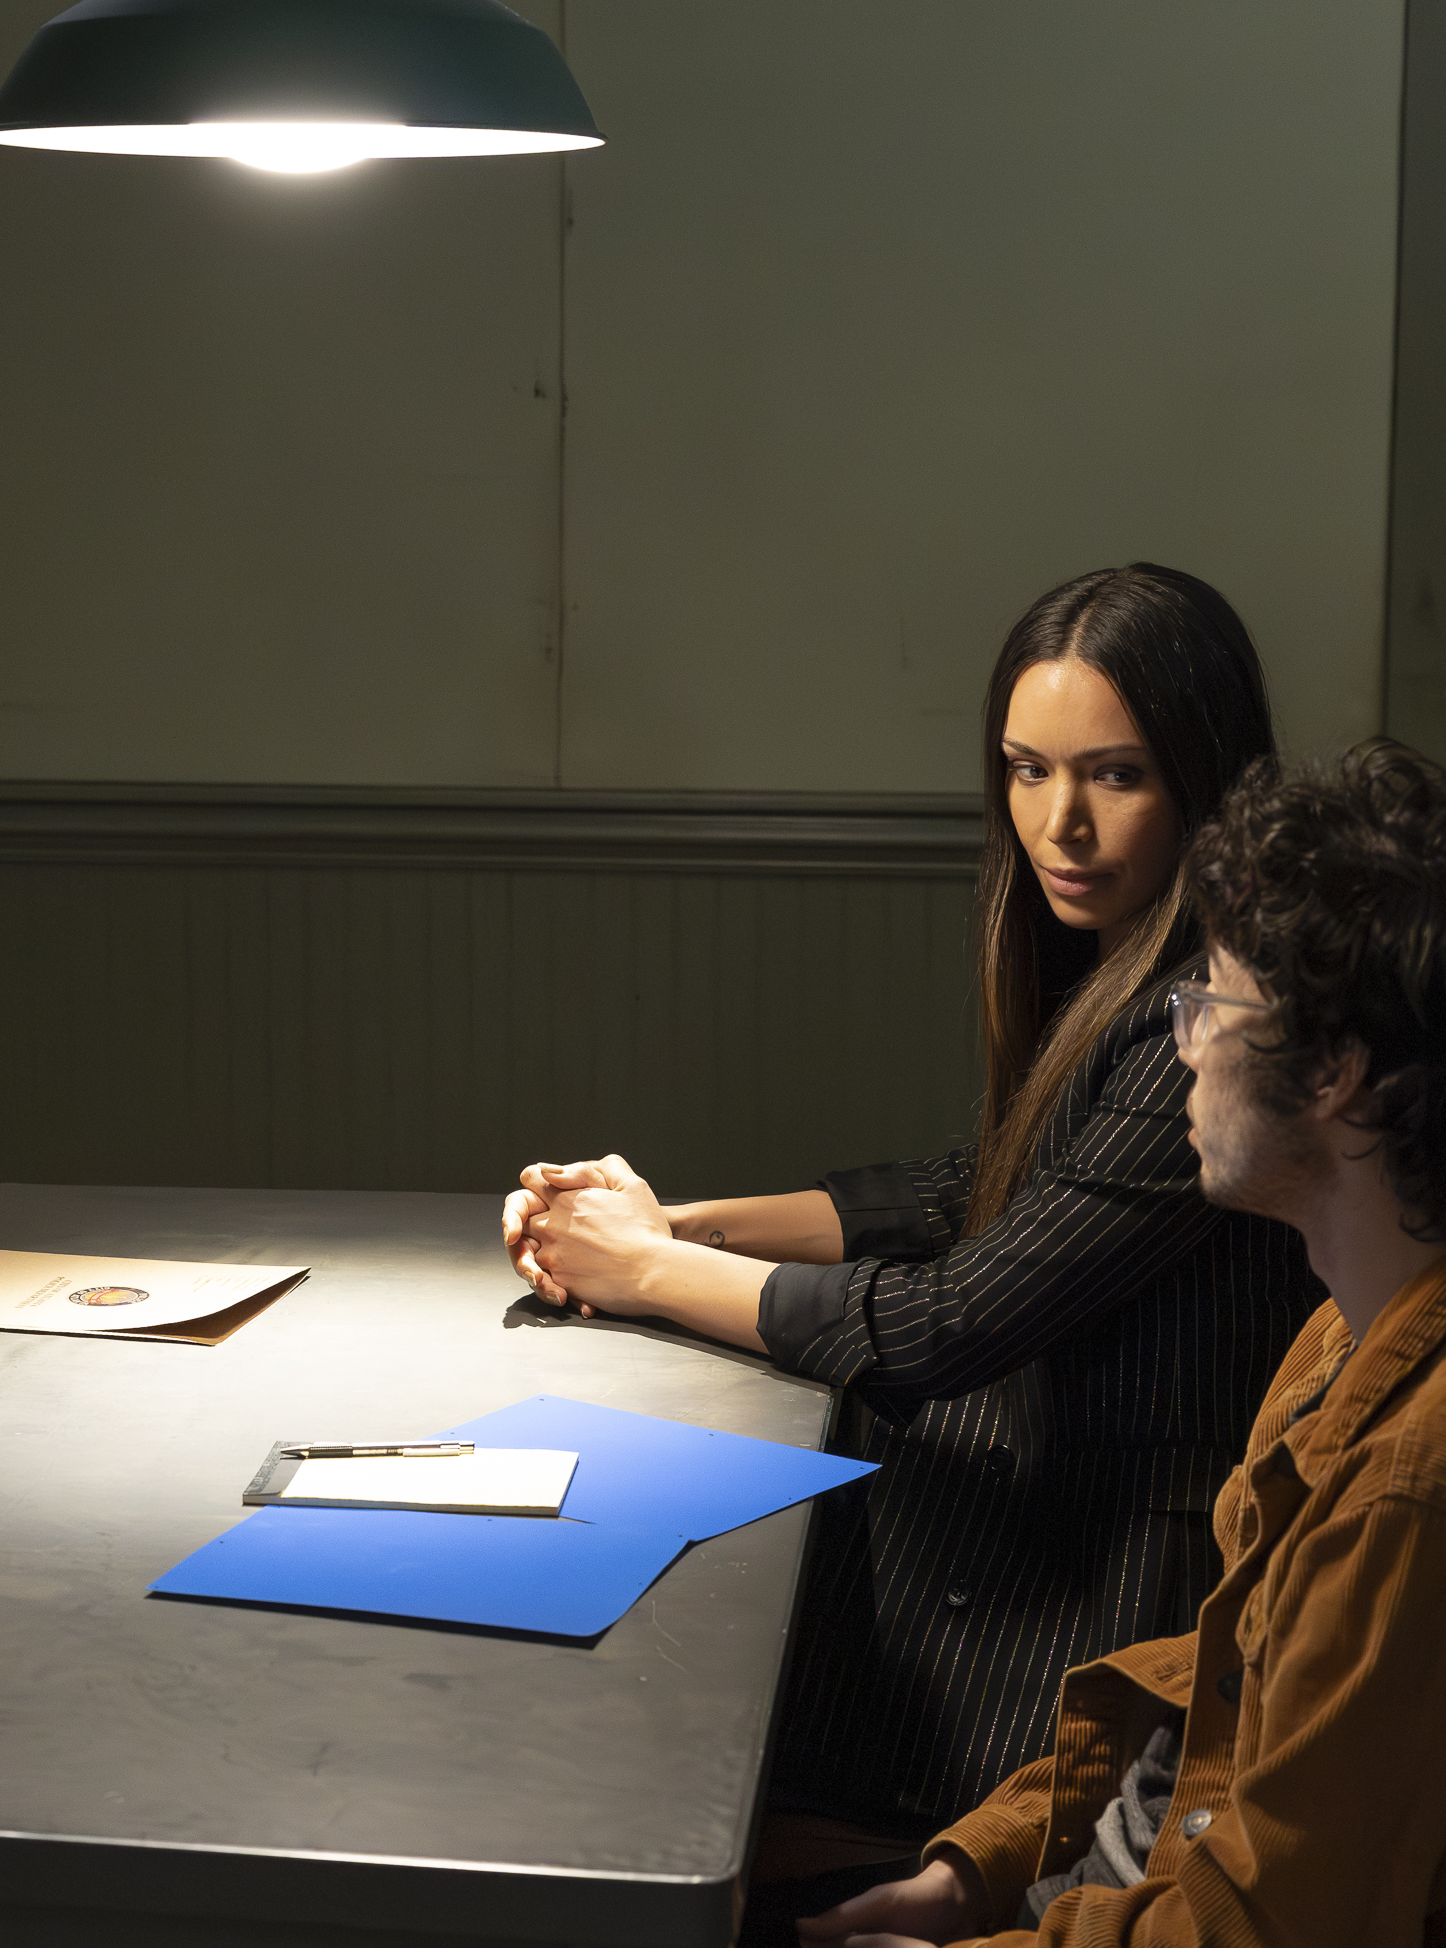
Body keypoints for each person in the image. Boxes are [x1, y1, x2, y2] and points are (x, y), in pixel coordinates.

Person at [503, 566, 1324, 1888]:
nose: (1058, 822)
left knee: (636, 1703)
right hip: (1043, 1522)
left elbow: (954, 1324)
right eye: (1027, 770)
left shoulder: (1211, 1009)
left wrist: (652, 1267)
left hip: (1101, 1584)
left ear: (1207, 781)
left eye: (1115, 775)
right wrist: (679, 1223)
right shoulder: (1117, 955)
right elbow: (970, 1187)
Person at [799, 740, 1446, 1947]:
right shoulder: (1366, 1324)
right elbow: (1225, 1681)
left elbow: (1259, 1929)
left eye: (1213, 1000)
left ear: (1344, 1076)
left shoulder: (1433, 1494)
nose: (1187, 1042)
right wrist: (977, 1866)